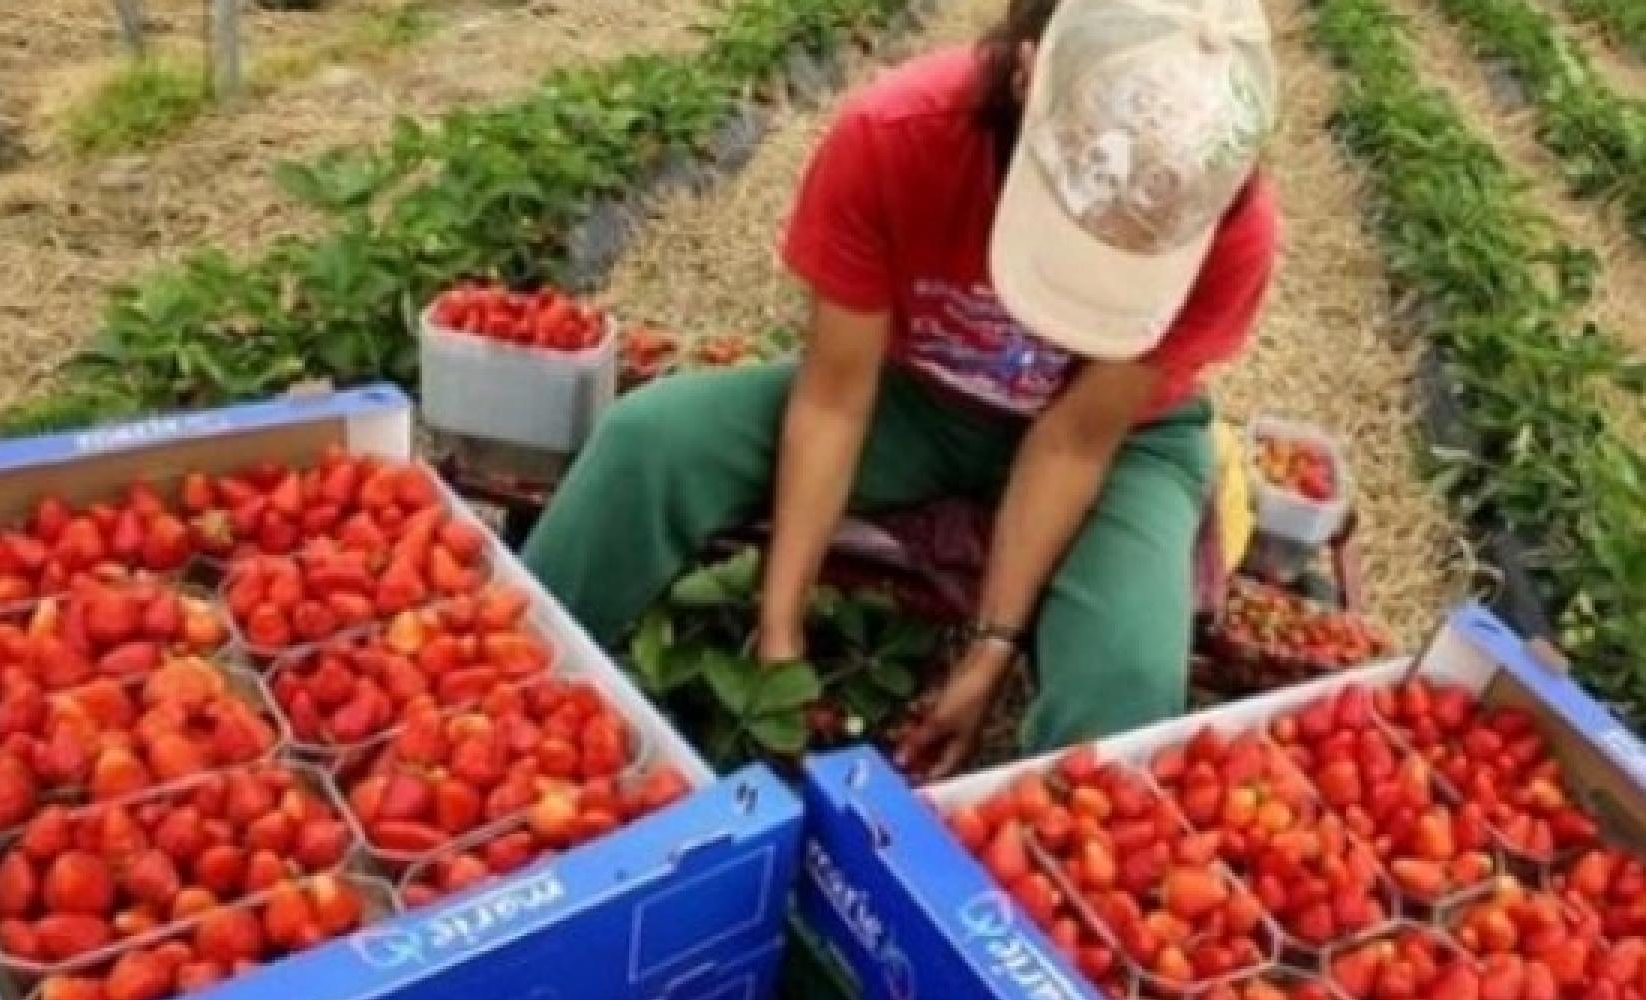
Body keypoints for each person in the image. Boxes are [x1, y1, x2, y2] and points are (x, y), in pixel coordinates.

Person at [524, 0, 1281, 779]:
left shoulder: (1232, 228)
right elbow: (833, 399)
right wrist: (780, 634)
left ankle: (1040, 874)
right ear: (1026, 76)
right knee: (650, 441)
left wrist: (992, 650)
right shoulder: (898, 139)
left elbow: (1074, 440)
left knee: (1126, 674)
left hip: (1117, 445)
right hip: (918, 395)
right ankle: (517, 689)